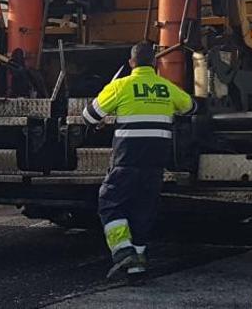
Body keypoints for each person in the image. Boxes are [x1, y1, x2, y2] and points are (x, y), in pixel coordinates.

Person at [82, 41, 193, 281]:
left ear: (131, 63)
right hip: (156, 162)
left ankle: (123, 251)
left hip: (127, 159)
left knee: (110, 202)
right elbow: (190, 107)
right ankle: (137, 267)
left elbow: (89, 116)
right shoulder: (166, 87)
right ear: (154, 63)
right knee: (143, 209)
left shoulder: (121, 86)